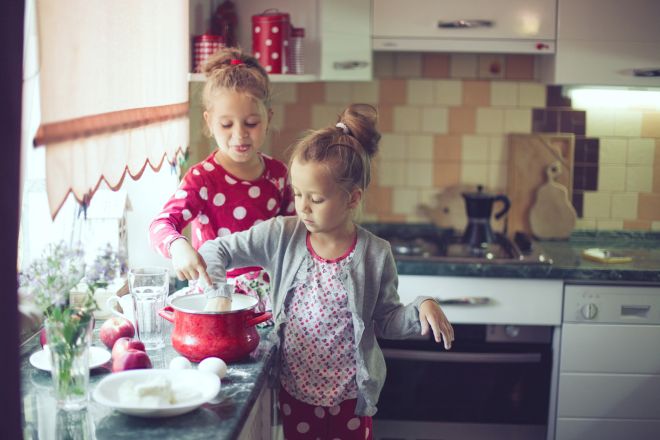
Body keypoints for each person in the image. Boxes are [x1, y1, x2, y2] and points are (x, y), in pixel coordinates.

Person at [197, 103, 454, 440]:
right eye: (298, 194)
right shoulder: (281, 235)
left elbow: (387, 318)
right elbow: (215, 249)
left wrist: (422, 306)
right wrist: (218, 296)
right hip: (295, 392)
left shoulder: (375, 253)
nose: (302, 207)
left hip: (351, 397)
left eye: (315, 198)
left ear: (352, 199)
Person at [149, 47, 294, 306]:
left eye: (251, 123)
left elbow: (294, 233)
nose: (240, 134)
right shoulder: (202, 179)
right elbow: (160, 225)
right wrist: (177, 247)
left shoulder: (278, 175)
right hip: (216, 298)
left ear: (268, 118)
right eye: (227, 125)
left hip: (269, 298)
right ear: (209, 122)